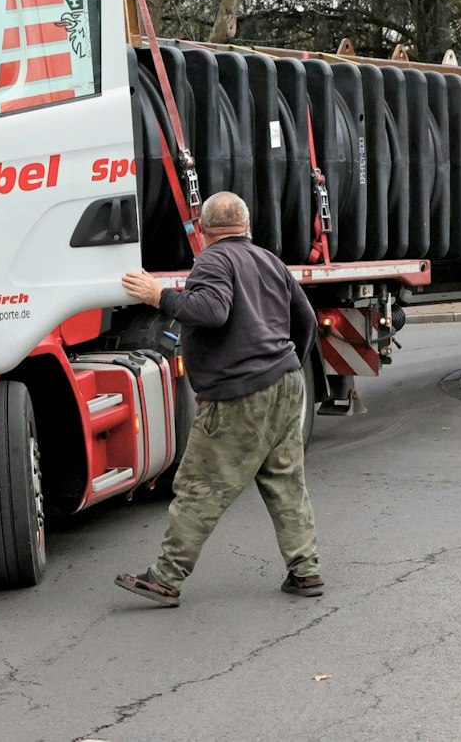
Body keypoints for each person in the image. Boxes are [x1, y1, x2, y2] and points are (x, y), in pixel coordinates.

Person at [113, 191, 323, 607]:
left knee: (200, 487)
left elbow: (211, 312)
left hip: (240, 394)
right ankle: (306, 571)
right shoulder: (269, 260)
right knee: (286, 482)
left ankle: (166, 578)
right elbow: (308, 320)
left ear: (202, 231)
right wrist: (288, 366)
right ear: (246, 226)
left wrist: (160, 296)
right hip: (285, 384)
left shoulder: (212, 260)